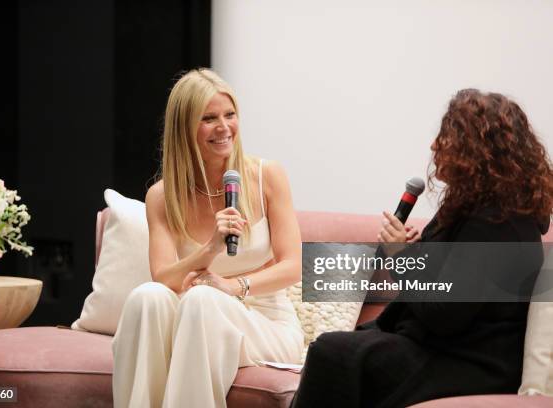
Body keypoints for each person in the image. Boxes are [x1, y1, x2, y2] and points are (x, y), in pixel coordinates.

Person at [292, 89, 553, 407]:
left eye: (446, 137)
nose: (434, 146)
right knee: (343, 345)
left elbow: (443, 314)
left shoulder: (497, 220)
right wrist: (417, 251)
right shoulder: (475, 206)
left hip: (471, 362)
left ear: (475, 150)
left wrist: (401, 256)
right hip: (448, 347)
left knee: (331, 352)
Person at [112, 68, 304, 408]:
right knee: (147, 297)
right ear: (184, 128)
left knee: (203, 299)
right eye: (209, 118)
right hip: (195, 313)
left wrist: (233, 287)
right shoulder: (162, 196)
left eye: (230, 115)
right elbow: (165, 277)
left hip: (264, 321)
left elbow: (293, 266)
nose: (224, 127)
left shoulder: (266, 176)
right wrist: (211, 248)